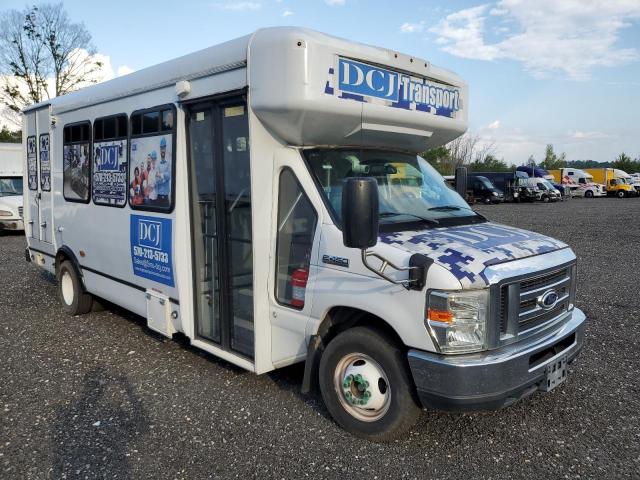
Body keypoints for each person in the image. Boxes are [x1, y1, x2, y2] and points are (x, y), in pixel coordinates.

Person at [155, 137, 171, 205]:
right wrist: (164, 178)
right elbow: (157, 180)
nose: (162, 150)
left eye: (164, 147)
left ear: (166, 148)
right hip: (158, 197)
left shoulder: (169, 163)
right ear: (160, 149)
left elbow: (169, 176)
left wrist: (160, 175)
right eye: (161, 148)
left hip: (166, 198)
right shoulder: (157, 164)